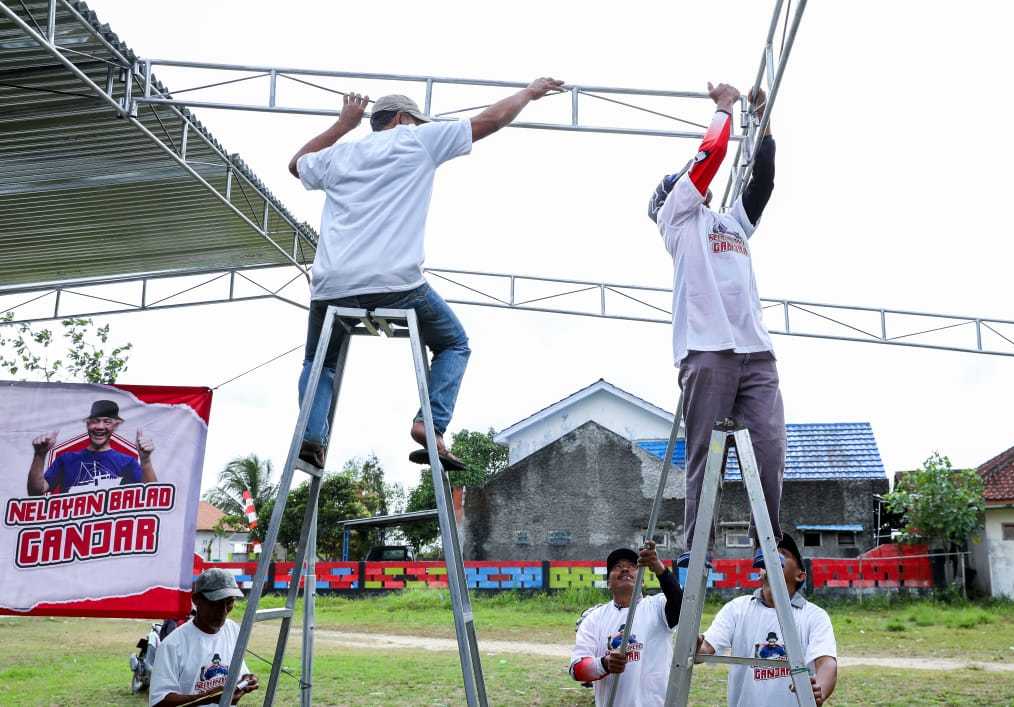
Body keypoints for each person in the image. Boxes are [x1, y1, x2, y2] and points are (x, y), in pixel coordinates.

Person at [289, 77, 564, 471]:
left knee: (320, 362)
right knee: (455, 343)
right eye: (415, 121)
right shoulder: (417, 140)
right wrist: (528, 93)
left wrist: (343, 124)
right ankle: (430, 424)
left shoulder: (340, 155)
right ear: (402, 118)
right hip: (396, 284)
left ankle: (311, 439)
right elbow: (489, 121)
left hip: (332, 286)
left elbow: (295, 165)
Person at [648, 82, 783, 568]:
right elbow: (710, 155)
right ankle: (696, 551)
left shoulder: (731, 223)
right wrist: (725, 108)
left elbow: (762, 182)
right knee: (707, 457)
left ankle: (766, 547)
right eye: (684, 180)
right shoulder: (677, 218)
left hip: (756, 353)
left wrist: (760, 118)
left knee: (769, 450)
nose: (695, 181)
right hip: (706, 351)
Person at [698, 534, 838, 706]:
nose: (772, 557)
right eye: (766, 553)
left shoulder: (814, 616)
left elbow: (827, 663)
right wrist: (695, 646)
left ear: (800, 575)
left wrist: (820, 689)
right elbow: (705, 649)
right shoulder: (737, 609)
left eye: (782, 553)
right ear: (759, 570)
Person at [568, 542, 682, 706]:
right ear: (608, 583)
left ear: (642, 582)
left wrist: (657, 566)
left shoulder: (658, 607)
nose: (625, 569)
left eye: (632, 566)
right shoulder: (594, 619)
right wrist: (604, 664)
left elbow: (680, 603)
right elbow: (576, 669)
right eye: (617, 567)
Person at [149, 568, 259, 706]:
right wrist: (209, 697)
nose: (223, 611)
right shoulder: (172, 645)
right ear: (196, 600)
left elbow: (239, 675)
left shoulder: (232, 630)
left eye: (229, 602)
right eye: (216, 603)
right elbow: (159, 702)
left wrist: (246, 681)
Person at [26, 399, 157, 495]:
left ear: (115, 425)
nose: (100, 427)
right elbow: (36, 492)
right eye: (95, 421)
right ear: (88, 424)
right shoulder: (65, 460)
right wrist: (40, 455)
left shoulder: (127, 462)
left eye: (107, 421)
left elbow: (152, 494)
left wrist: (145, 461)